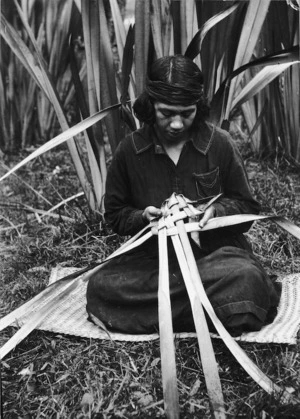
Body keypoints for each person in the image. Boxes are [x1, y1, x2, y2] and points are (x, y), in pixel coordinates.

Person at [86, 55, 280, 336]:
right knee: (102, 285)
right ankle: (215, 307)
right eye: (167, 113)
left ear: (198, 108)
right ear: (151, 106)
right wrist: (144, 217)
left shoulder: (219, 144)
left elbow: (247, 207)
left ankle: (163, 311)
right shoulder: (130, 149)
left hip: (215, 258)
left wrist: (215, 213)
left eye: (186, 113)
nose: (177, 124)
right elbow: (115, 215)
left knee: (245, 276)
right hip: (152, 261)